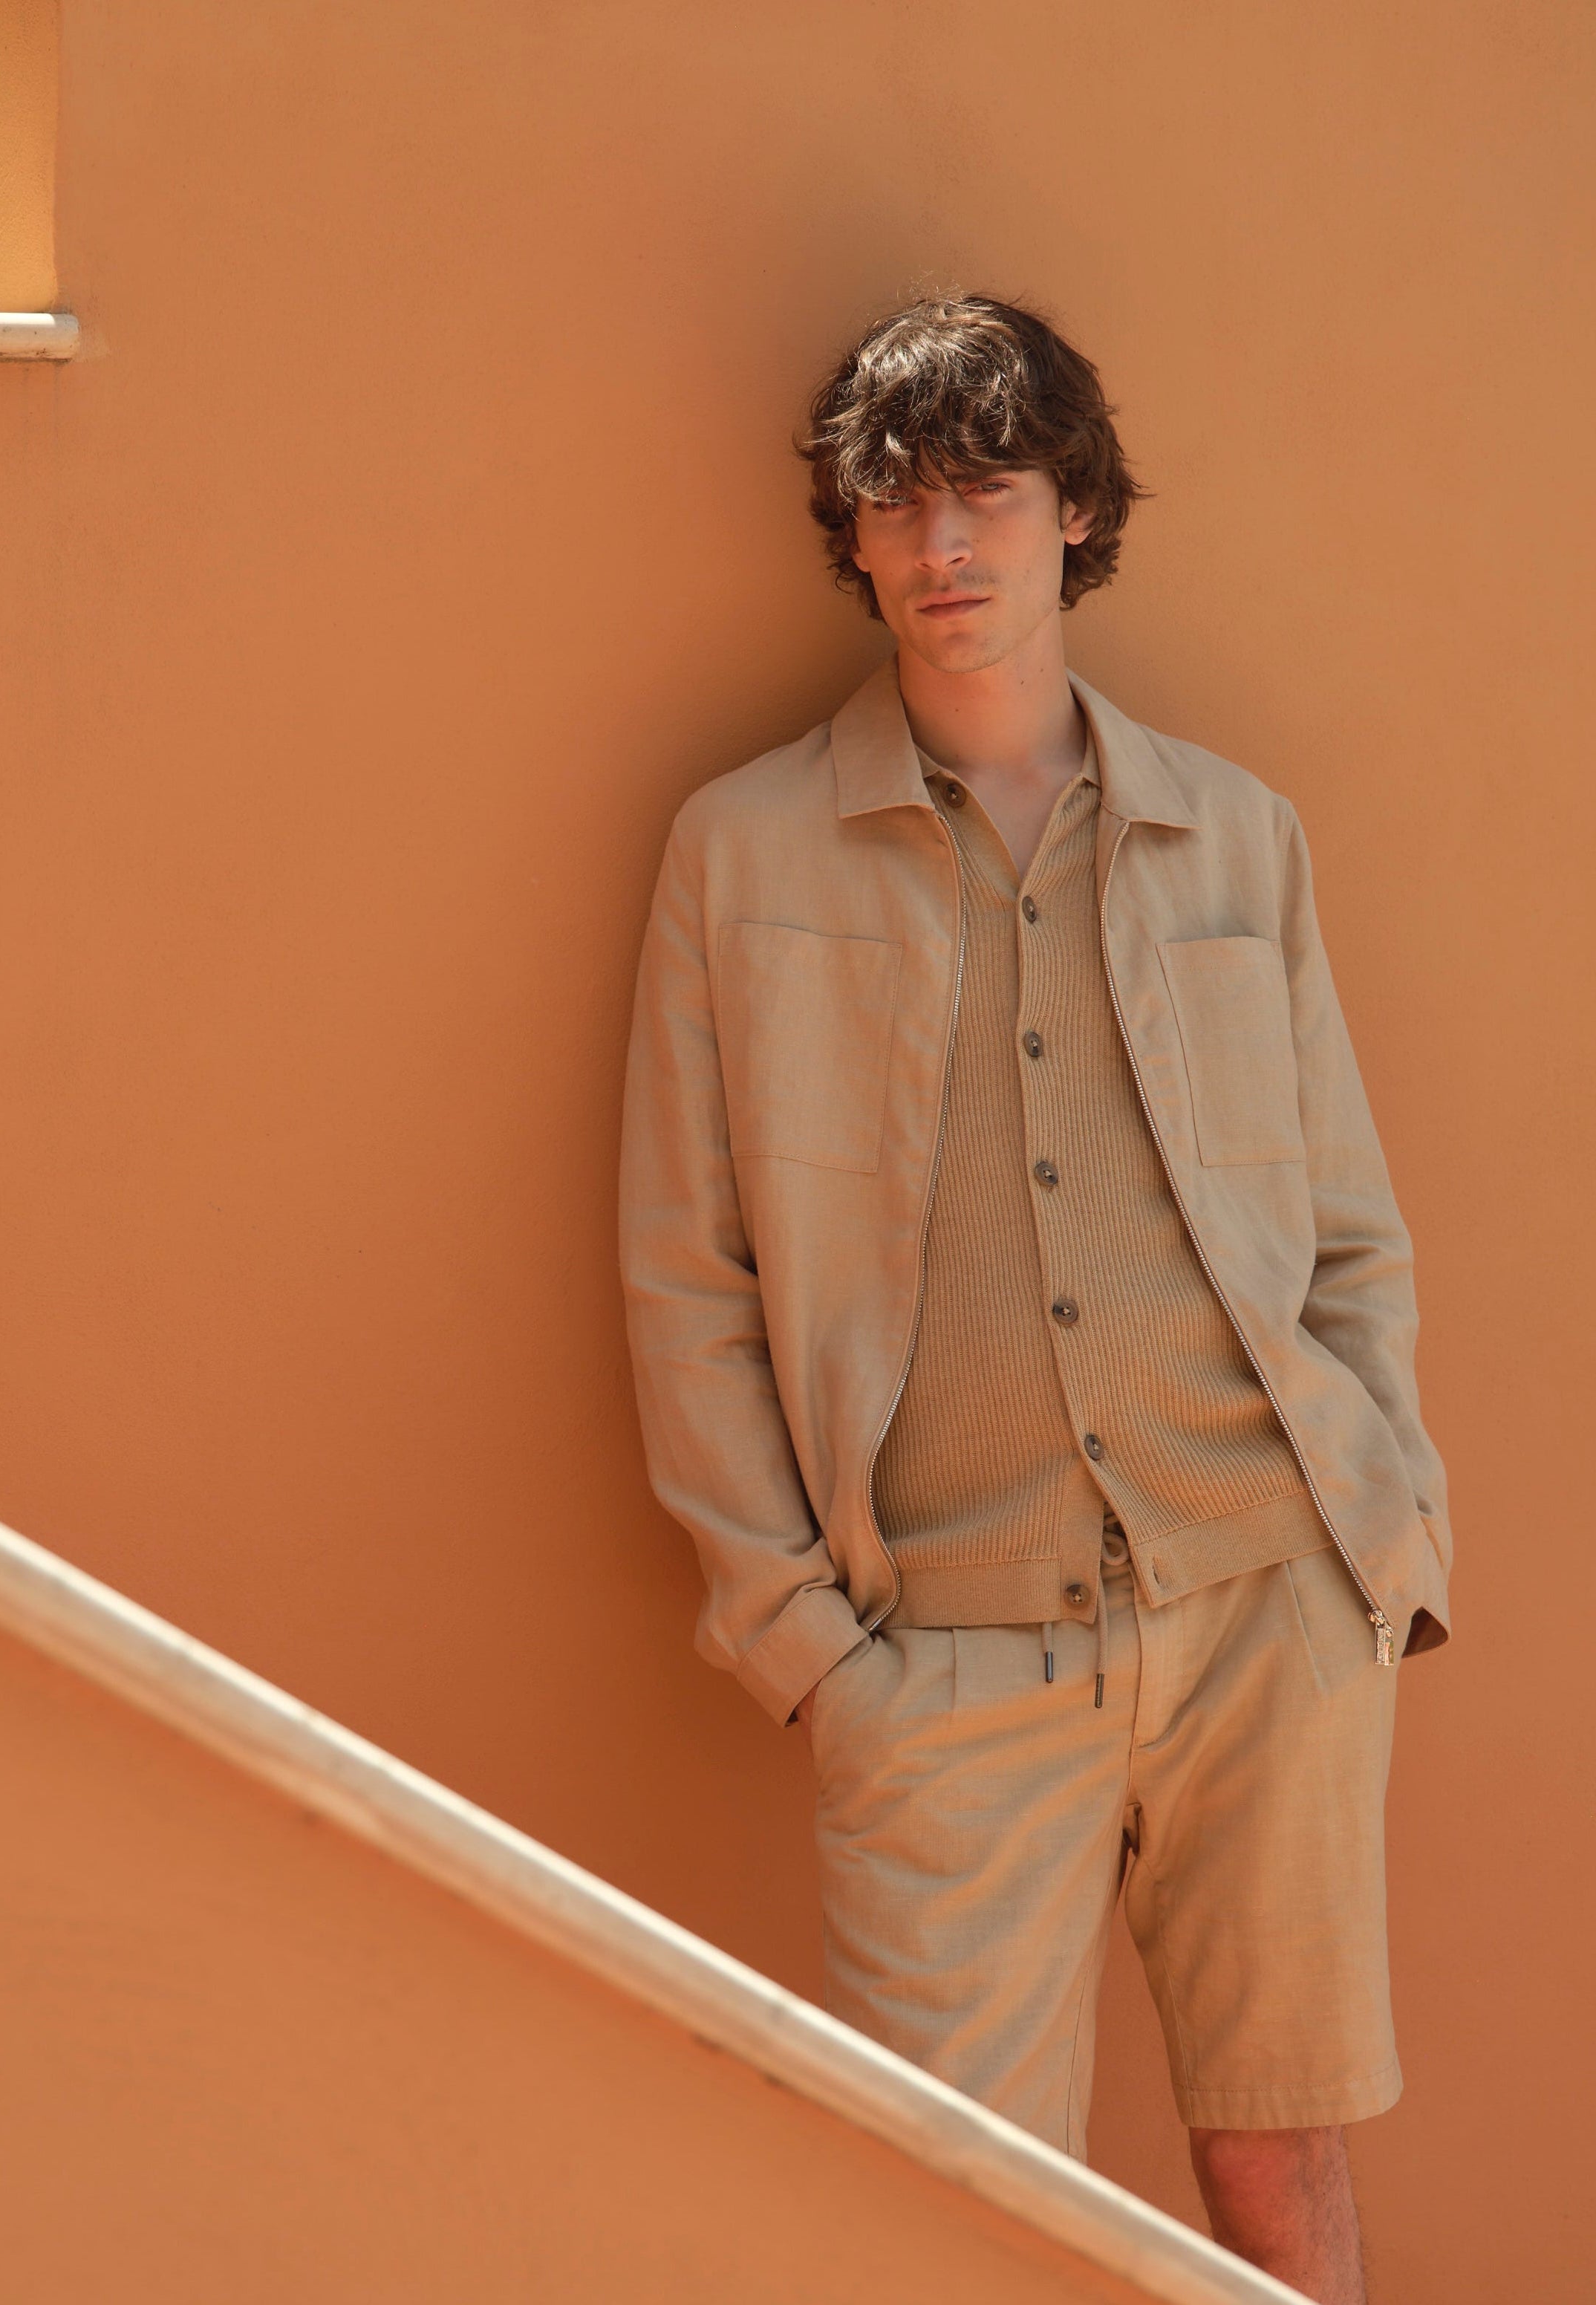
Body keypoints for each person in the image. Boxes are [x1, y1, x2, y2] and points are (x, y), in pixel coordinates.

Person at [618, 293, 1450, 2304]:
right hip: (950, 1655)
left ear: (1078, 512)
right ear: (854, 540)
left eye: (987, 492)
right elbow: (685, 1273)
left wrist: (1375, 1537)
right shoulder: (741, 857)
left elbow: (1344, 1223)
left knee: (1279, 2166)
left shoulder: (1235, 836)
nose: (944, 547)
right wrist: (813, 1649)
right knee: (947, 2214)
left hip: (1267, 1604)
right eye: (894, 504)